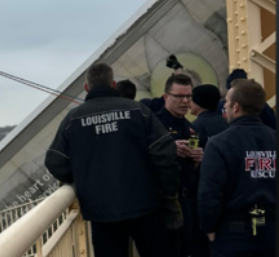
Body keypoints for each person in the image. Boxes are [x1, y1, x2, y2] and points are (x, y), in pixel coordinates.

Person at [45, 63, 180, 257]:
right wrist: (168, 194)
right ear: (113, 84)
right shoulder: (138, 111)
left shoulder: (72, 120)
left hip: (102, 212)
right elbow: (165, 153)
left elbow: (55, 162)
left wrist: (82, 175)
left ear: (86, 88)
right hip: (146, 207)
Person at [198, 79, 275, 257]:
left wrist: (208, 227)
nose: (224, 106)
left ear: (236, 107)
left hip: (234, 232)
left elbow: (210, 193)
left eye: (227, 102)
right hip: (271, 229)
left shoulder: (219, 144)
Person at [157, 73, 207, 257]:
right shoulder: (154, 125)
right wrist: (169, 148)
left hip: (188, 199)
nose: (185, 101)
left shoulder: (189, 126)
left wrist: (197, 159)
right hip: (163, 203)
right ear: (166, 97)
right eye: (179, 96)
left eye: (189, 96)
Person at [190, 85, 228, 149]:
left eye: (192, 100)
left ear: (199, 104)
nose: (189, 103)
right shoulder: (226, 123)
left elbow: (191, 149)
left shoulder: (194, 127)